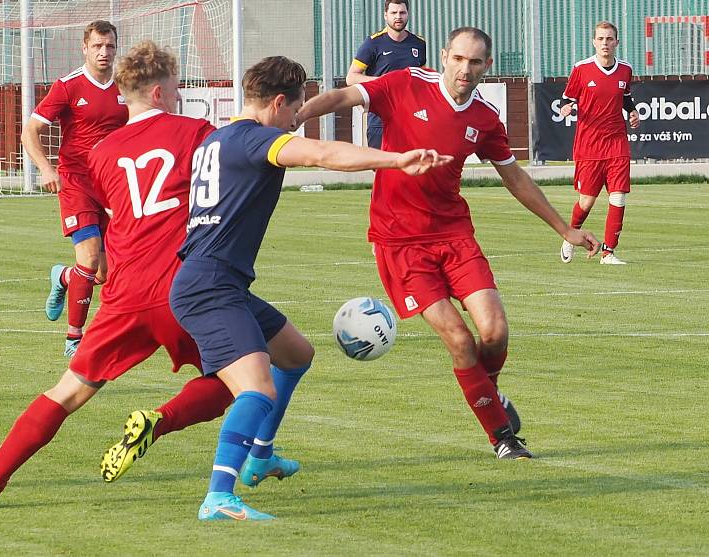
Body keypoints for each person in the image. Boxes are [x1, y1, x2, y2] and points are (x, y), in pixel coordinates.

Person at [297, 27, 601, 460]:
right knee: (460, 340)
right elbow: (345, 95)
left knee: (494, 332)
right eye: (458, 58)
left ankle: (488, 398)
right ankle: (502, 437)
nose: (465, 68)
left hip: (454, 235)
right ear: (444, 57)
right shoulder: (405, 83)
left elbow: (514, 176)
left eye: (475, 62)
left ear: (487, 67)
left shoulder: (485, 118)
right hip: (399, 242)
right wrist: (301, 114)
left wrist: (563, 228)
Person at [0, 41, 235, 510]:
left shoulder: (103, 152)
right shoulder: (197, 132)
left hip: (123, 295)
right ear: (162, 92)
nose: (180, 92)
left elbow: (112, 210)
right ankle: (159, 422)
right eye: (176, 85)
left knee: (65, 393)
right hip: (181, 292)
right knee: (241, 380)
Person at [169, 55, 448, 521]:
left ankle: (260, 457)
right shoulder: (259, 140)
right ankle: (219, 496)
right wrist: (396, 159)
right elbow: (324, 155)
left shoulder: (216, 139)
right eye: (296, 112)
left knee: (296, 354)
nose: (297, 122)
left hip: (217, 280)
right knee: (257, 391)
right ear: (279, 103)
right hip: (210, 285)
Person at [21, 20, 127, 356]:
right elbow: (29, 132)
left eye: (109, 46)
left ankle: (64, 277)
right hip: (75, 181)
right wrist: (47, 169)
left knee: (106, 275)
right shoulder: (68, 86)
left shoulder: (126, 86)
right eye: (97, 46)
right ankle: (74, 339)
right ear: (85, 48)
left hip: (112, 186)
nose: (104, 52)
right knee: (90, 254)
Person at [559, 21, 640, 265]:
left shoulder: (625, 70)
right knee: (587, 201)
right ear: (594, 42)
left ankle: (608, 253)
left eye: (609, 39)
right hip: (589, 145)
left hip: (617, 142)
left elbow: (626, 98)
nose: (605, 43)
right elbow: (566, 97)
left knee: (618, 197)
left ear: (617, 42)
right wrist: (567, 106)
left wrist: (633, 112)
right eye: (601, 39)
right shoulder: (582, 69)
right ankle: (569, 236)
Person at [346, 1, 426, 148]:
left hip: (411, 119)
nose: (398, 17)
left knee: (411, 167)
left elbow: (421, 78)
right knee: (381, 168)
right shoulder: (373, 43)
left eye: (402, 13)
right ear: (385, 15)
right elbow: (351, 77)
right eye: (393, 13)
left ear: (408, 14)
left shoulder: (419, 43)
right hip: (380, 121)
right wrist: (385, 82)